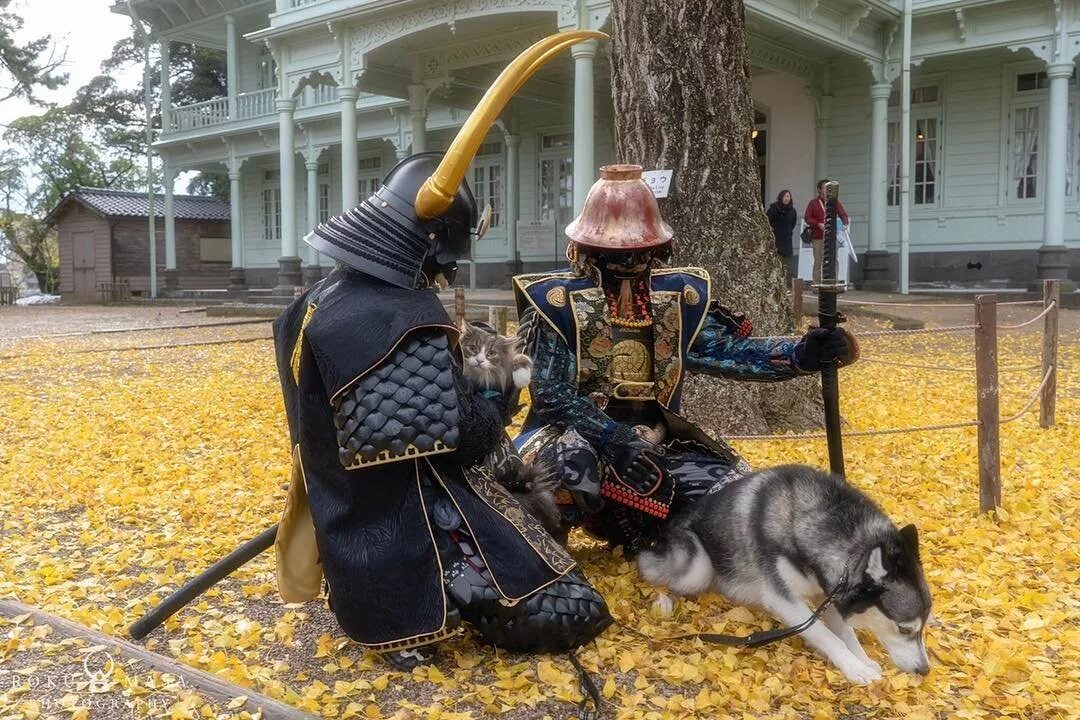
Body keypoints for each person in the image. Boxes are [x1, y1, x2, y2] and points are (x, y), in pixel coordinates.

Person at [270, 31, 611, 671]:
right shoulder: (393, 317)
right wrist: (499, 389)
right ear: (431, 243)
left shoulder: (322, 297)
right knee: (573, 610)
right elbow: (444, 442)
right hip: (398, 521)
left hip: (347, 495)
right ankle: (416, 617)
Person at [512, 165, 859, 554]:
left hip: (657, 440)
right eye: (616, 252)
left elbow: (728, 353)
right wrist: (614, 439)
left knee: (736, 494)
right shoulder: (556, 305)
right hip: (568, 437)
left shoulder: (676, 301)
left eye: (638, 252)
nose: (628, 264)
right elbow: (551, 393)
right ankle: (542, 550)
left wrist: (801, 353)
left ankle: (659, 535)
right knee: (575, 465)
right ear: (590, 249)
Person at [803, 178, 849, 283]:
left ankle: (833, 282)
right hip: (818, 237)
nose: (827, 190)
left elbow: (843, 214)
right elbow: (807, 217)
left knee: (833, 260)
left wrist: (845, 223)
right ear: (819, 190)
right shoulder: (813, 203)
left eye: (829, 188)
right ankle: (817, 283)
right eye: (825, 188)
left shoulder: (834, 202)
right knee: (818, 261)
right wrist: (817, 224)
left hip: (832, 237)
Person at [766, 189, 797, 273]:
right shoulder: (773, 210)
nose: (786, 198)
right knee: (776, 264)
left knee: (786, 265)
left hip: (787, 240)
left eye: (788, 196)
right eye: (784, 196)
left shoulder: (792, 211)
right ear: (780, 198)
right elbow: (767, 222)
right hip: (776, 240)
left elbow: (793, 223)